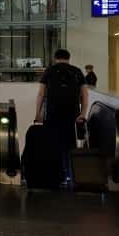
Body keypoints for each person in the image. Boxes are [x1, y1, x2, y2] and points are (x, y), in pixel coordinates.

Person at [35, 49, 88, 177]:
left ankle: (54, 176)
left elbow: (41, 94)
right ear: (69, 58)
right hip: (72, 115)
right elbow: (85, 95)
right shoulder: (77, 71)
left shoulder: (49, 71)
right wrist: (83, 114)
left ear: (55, 58)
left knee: (52, 144)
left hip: (52, 115)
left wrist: (38, 113)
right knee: (70, 146)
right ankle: (71, 176)